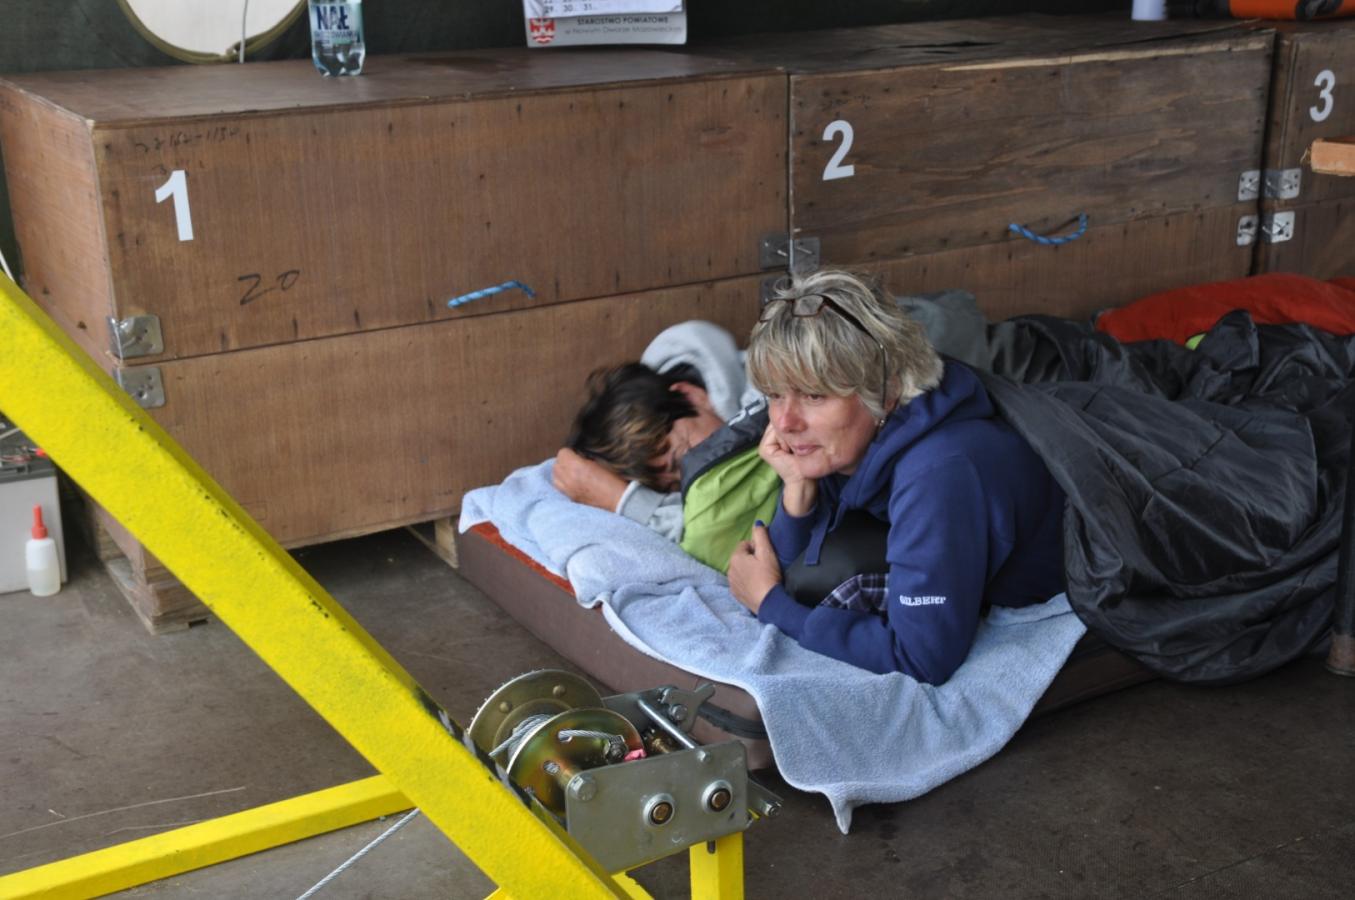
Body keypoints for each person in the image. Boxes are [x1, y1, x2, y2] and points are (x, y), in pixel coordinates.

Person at [725, 269, 1066, 685]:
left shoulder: (939, 472)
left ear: (887, 391)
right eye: (775, 394)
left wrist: (771, 606)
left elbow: (922, 657)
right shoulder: (848, 439)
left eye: (814, 395)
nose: (784, 421)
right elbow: (783, 572)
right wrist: (797, 493)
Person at [553, 321, 776, 569]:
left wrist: (625, 502)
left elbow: (709, 541)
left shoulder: (774, 397)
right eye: (671, 488)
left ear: (689, 395)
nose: (689, 480)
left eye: (683, 458)